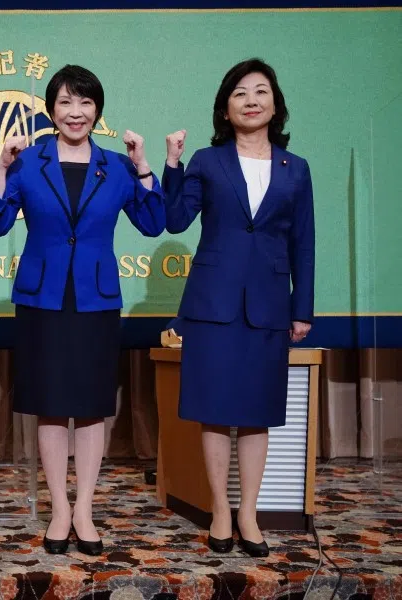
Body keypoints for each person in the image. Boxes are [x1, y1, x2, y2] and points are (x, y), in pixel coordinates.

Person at [0, 65, 166, 555]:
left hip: (95, 299)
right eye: (65, 102)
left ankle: (84, 507)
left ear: (97, 110)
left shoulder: (118, 166)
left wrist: (145, 165)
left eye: (85, 103)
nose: (75, 112)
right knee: (50, 404)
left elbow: (153, 223)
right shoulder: (28, 161)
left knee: (89, 407)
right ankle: (58, 509)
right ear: (51, 109)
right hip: (42, 298)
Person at [162, 58, 315, 557]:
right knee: (213, 412)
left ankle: (247, 512)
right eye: (240, 93)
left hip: (269, 305)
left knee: (256, 414)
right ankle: (220, 511)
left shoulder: (297, 169)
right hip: (213, 304)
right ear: (225, 109)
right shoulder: (208, 161)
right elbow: (176, 220)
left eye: (261, 91)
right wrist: (171, 165)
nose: (251, 100)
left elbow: (304, 244)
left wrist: (302, 308)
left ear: (276, 105)